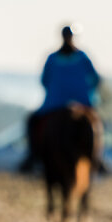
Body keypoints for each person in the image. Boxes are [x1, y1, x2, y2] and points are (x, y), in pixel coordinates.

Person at [21, 25, 103, 172]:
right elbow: (95, 79)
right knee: (97, 124)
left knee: (33, 122)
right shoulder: (83, 58)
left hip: (53, 104)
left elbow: (44, 81)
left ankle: (33, 155)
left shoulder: (52, 59)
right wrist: (89, 94)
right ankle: (97, 158)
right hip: (82, 103)